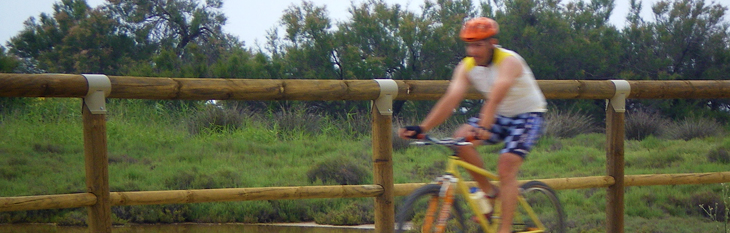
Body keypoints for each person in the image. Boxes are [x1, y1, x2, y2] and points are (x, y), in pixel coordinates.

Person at [398, 17, 547, 233]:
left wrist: (484, 126)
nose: (473, 51)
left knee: (506, 165)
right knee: (461, 140)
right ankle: (490, 193)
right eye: (469, 45)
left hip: (527, 114)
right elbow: (451, 99)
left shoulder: (509, 61)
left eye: (478, 45)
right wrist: (423, 128)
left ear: (492, 43)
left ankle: (504, 229)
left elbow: (495, 98)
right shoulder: (466, 66)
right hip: (500, 115)